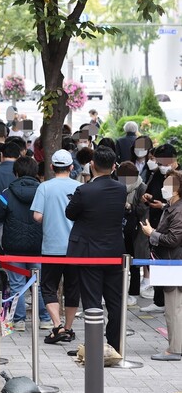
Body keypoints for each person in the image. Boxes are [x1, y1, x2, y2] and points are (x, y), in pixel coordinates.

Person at [66, 146, 127, 353]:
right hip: (114, 252)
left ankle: (94, 346)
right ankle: (114, 344)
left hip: (90, 253)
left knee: (92, 302)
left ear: (91, 165)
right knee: (115, 301)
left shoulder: (84, 190)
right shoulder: (121, 189)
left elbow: (70, 213)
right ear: (113, 166)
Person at [0, 157, 51, 331]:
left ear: (16, 173)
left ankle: (19, 320)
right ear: (35, 172)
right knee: (38, 283)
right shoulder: (44, 191)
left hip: (13, 246)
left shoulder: (7, 193)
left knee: (16, 283)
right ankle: (45, 319)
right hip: (39, 246)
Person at [31, 150, 81, 344]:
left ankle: (57, 325)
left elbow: (37, 216)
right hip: (75, 247)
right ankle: (68, 328)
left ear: (51, 167)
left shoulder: (44, 187)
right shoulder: (79, 187)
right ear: (71, 168)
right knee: (72, 288)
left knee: (49, 286)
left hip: (51, 246)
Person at [141, 170, 182, 361]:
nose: (163, 188)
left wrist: (152, 234)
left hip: (173, 263)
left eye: (167, 185)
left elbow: (173, 239)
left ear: (176, 190)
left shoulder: (179, 209)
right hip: (169, 262)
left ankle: (174, 349)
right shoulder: (172, 206)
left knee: (173, 308)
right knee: (173, 307)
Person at [141, 144, 179, 311]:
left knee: (172, 263)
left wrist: (163, 205)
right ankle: (159, 301)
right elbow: (151, 190)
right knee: (157, 259)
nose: (160, 166)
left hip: (173, 225)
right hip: (157, 223)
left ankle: (170, 302)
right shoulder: (157, 174)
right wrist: (147, 197)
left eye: (163, 162)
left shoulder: (178, 176)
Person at [117, 162, 149, 305]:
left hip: (136, 229)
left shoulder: (142, 187)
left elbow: (143, 210)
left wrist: (130, 206)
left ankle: (133, 292)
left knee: (135, 261)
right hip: (123, 228)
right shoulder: (119, 187)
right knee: (122, 259)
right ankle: (121, 291)